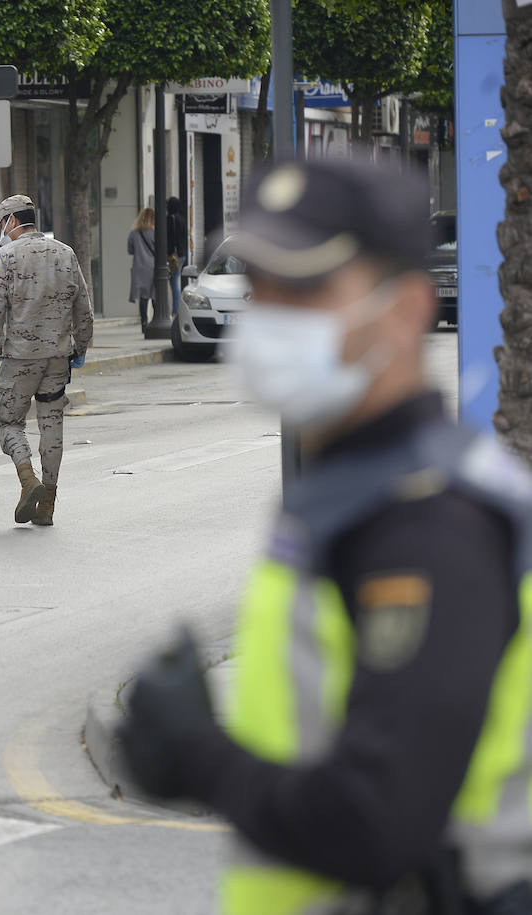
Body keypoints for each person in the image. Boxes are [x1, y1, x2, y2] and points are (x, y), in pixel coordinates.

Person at [117, 159, 532, 914]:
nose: (269, 313)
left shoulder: (426, 522)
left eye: (306, 290)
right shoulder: (358, 487)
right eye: (263, 285)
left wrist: (199, 756)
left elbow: (379, 822)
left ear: (405, 310)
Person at [0, 194, 94, 527]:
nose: (1, 230)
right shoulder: (66, 253)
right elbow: (83, 307)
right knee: (51, 428)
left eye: (2, 224)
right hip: (57, 359)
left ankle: (28, 479)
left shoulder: (6, 257)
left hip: (20, 359)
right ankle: (48, 502)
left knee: (8, 419)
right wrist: (81, 346)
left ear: (12, 221)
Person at [127, 207, 156, 332]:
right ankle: (155, 320)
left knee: (143, 296)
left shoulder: (134, 233)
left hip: (139, 267)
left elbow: (130, 250)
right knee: (155, 295)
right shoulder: (155, 232)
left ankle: (144, 322)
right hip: (154, 267)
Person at [166, 196, 188, 316]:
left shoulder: (170, 219)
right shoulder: (182, 219)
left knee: (173, 281)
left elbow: (167, 237)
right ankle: (176, 309)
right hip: (181, 254)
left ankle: (176, 310)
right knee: (175, 280)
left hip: (173, 255)